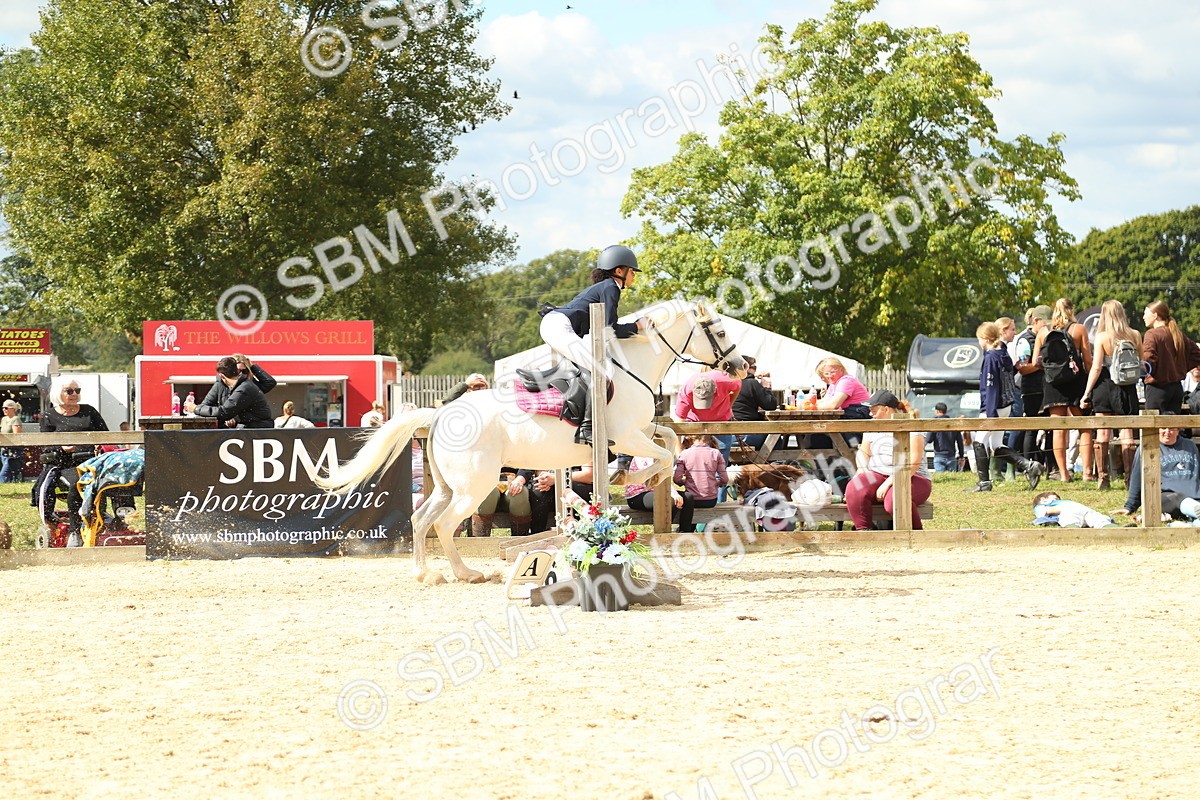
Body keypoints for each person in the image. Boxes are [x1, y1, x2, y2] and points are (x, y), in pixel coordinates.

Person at [538, 245, 649, 445]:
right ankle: (587, 429)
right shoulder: (611, 287)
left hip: (557, 325)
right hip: (559, 326)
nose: (634, 276)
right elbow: (609, 329)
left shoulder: (605, 287)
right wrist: (637, 326)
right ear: (619, 271)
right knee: (602, 369)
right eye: (632, 271)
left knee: (592, 367)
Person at [966, 322, 1043, 492]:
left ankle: (984, 482)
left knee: (979, 441)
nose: (978, 342)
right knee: (996, 445)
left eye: (979, 339)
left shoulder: (991, 357)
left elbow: (991, 385)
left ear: (985, 339)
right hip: (1005, 404)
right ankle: (1029, 466)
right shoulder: (1003, 353)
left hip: (994, 406)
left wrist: (990, 413)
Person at [33, 378, 109, 547]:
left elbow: (106, 435)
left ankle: (118, 518)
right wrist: (62, 448)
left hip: (93, 460)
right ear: (58, 394)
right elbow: (46, 447)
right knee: (79, 482)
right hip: (65, 463)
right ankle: (75, 530)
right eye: (69, 391)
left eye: (77, 390)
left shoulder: (90, 411)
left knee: (117, 478)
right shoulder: (49, 416)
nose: (74, 394)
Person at [844, 390, 932, 530]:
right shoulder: (872, 425)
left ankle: (915, 534)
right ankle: (864, 531)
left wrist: (888, 483)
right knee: (855, 487)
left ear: (886, 409)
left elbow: (914, 462)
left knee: (895, 499)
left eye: (874, 410)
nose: (870, 414)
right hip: (878, 473)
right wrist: (862, 469)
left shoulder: (912, 427)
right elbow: (864, 451)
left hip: (912, 476)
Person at [1081, 300, 1143, 489]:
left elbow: (1097, 367)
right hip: (1127, 386)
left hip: (1105, 385)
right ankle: (1130, 479)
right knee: (1127, 433)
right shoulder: (1135, 334)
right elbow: (1141, 361)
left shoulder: (1102, 337)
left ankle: (1103, 478)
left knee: (1103, 431)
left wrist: (1086, 392)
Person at [1031, 298, 1092, 483]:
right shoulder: (1078, 329)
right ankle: (1088, 474)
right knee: (1084, 426)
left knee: (1058, 429)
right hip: (1075, 380)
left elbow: (1035, 362)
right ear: (1072, 309)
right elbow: (1087, 359)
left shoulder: (1043, 331)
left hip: (1052, 383)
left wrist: (1053, 368)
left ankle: (1063, 474)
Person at [1116, 423, 1200, 523]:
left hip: (1194, 497)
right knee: (1177, 497)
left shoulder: (1190, 445)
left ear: (1178, 430)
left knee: (1195, 517)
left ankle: (1192, 522)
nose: (1167, 432)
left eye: (1172, 428)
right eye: (1163, 428)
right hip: (1165, 498)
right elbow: (1137, 478)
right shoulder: (1148, 447)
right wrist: (1130, 506)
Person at [674, 364, 746, 464]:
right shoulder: (687, 389)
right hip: (695, 423)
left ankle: (717, 477)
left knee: (720, 458)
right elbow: (678, 424)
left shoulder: (727, 380)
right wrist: (679, 453)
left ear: (715, 390)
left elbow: (738, 385)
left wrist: (729, 404)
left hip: (722, 421)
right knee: (693, 459)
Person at [186, 353, 276, 429]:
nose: (241, 373)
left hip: (255, 429)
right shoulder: (220, 385)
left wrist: (195, 408)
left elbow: (226, 411)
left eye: (243, 370)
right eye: (239, 370)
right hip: (239, 428)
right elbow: (212, 406)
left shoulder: (246, 387)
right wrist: (225, 418)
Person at [1142, 300, 1200, 413]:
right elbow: (1197, 354)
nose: (1143, 317)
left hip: (1157, 388)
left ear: (1155, 316)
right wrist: (1179, 370)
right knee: (1173, 429)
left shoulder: (1152, 334)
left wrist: (1150, 372)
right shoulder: (1178, 334)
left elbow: (1148, 360)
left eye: (1146, 313)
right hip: (1177, 389)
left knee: (1153, 429)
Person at [1014, 305, 1053, 470]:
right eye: (1046, 324)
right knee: (1032, 429)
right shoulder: (1025, 339)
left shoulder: (1048, 336)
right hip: (1032, 390)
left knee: (1051, 428)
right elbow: (1023, 367)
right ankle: (1027, 465)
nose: (1048, 328)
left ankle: (1051, 467)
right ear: (1036, 321)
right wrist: (1042, 365)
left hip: (1047, 389)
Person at [625, 455, 694, 532]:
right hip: (637, 495)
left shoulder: (660, 455)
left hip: (656, 490)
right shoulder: (643, 455)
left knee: (688, 497)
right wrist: (674, 494)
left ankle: (685, 534)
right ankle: (664, 533)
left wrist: (674, 494)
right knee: (668, 500)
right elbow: (655, 479)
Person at [673, 435, 727, 532]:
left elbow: (677, 479)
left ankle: (685, 531)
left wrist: (685, 482)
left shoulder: (685, 454)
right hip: (710, 501)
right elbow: (724, 479)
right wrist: (715, 482)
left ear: (692, 438)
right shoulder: (716, 453)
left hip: (691, 501)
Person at [731, 355, 777, 451]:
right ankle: (777, 463)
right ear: (746, 367)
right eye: (754, 367)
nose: (756, 370)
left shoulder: (728, 381)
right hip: (745, 435)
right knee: (775, 438)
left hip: (727, 435)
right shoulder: (751, 383)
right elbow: (771, 405)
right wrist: (766, 387)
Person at [1032, 491, 1120, 528]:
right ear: (1044, 499)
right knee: (1097, 519)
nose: (1058, 500)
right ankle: (1112, 528)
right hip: (1075, 509)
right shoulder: (1040, 506)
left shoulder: (1059, 503)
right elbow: (1041, 512)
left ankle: (1112, 529)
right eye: (1056, 498)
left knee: (1097, 519)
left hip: (1079, 510)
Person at [930, 402, 965, 472]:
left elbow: (928, 440)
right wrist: (961, 456)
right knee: (952, 480)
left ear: (937, 411)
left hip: (939, 456)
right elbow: (960, 442)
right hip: (951, 457)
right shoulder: (953, 423)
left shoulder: (934, 423)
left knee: (941, 481)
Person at [1, 399, 24, 483]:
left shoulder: (16, 419)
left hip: (13, 450)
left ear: (13, 409)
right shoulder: (3, 419)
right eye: (3, 408)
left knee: (4, 474)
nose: (4, 410)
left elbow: (16, 436)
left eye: (6, 408)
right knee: (8, 472)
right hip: (4, 449)